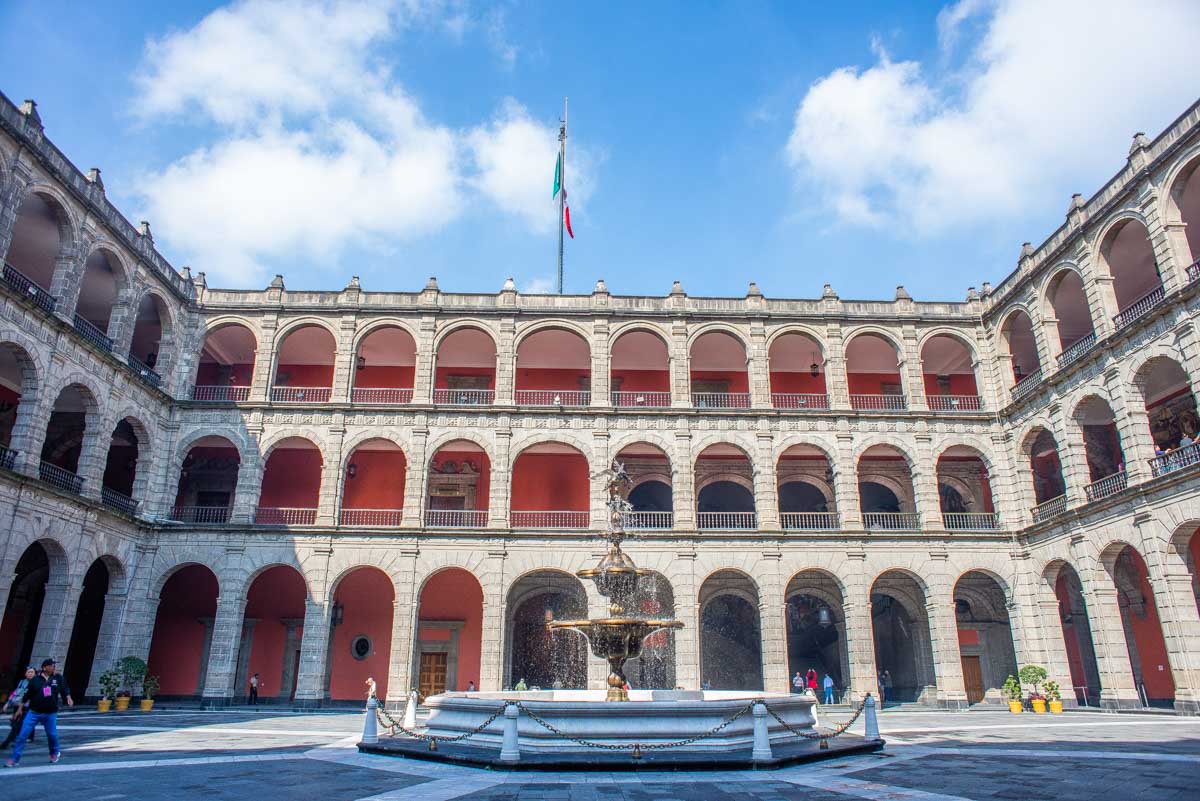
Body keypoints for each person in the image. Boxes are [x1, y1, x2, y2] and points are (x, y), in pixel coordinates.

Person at [6, 658, 72, 767]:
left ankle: (54, 753)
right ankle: (14, 759)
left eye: (54, 666)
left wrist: (68, 697)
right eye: (51, 666)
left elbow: (65, 689)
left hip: (50, 713)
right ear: (44, 668)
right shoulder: (35, 680)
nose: (53, 667)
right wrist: (19, 709)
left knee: (52, 734)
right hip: (34, 712)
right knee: (22, 735)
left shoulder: (58, 678)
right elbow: (26, 696)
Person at [1, 668, 36, 750]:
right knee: (17, 724)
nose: (30, 674)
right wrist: (7, 703)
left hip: (27, 707)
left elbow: (45, 693)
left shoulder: (37, 683)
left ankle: (6, 743)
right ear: (25, 674)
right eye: (28, 672)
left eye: (32, 672)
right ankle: (25, 737)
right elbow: (15, 693)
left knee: (17, 725)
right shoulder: (21, 682)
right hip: (17, 705)